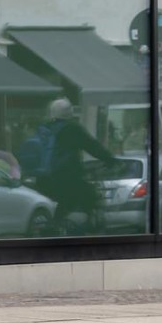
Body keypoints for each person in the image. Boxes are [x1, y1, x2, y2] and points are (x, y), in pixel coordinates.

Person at [17, 98, 110, 232]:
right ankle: (85, 230)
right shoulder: (73, 128)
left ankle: (53, 227)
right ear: (70, 112)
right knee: (86, 196)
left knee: (58, 205)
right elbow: (93, 146)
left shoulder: (44, 128)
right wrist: (111, 160)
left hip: (43, 178)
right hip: (67, 178)